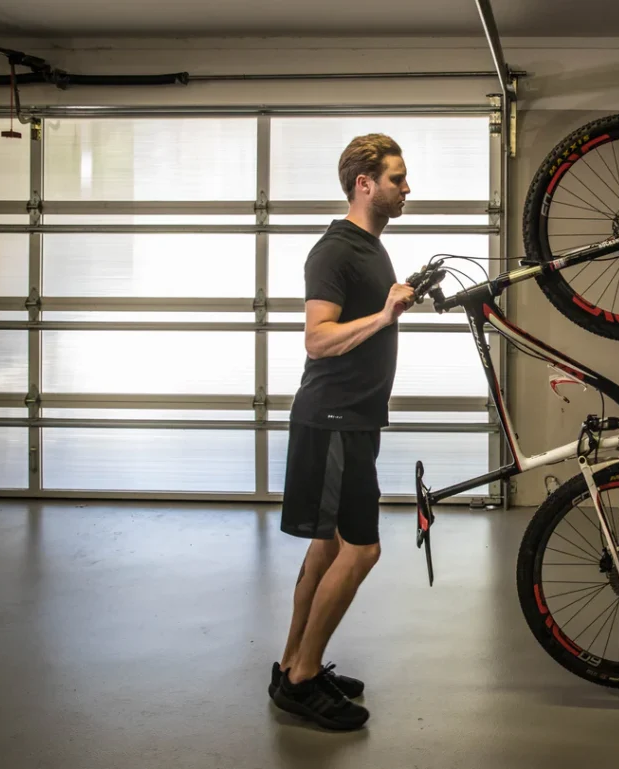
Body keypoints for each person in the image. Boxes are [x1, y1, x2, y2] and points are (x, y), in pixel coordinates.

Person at [269, 133, 415, 731]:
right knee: (363, 549)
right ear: (365, 184)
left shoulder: (371, 247)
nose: (408, 189)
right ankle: (302, 681)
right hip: (333, 420)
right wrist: (384, 315)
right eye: (398, 179)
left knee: (327, 545)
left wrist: (396, 305)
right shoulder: (335, 251)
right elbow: (317, 338)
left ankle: (291, 665)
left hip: (353, 420)